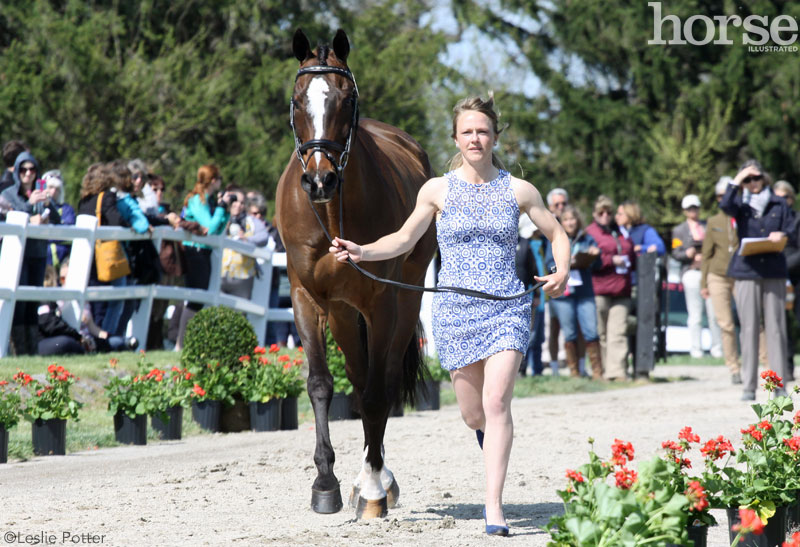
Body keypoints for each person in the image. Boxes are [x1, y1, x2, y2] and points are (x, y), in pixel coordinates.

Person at [330, 96, 570, 535]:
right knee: (473, 414)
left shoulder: (520, 190)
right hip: (456, 311)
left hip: (506, 307)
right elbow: (403, 239)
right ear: (456, 138)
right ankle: (486, 439)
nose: (475, 138)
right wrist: (361, 250)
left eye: (483, 131)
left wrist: (563, 269)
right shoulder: (436, 190)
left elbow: (557, 233)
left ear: (495, 136)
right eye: (468, 131)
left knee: (497, 403)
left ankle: (493, 507)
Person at [720, 160, 793, 400]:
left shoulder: (779, 203)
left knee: (776, 329)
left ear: (765, 178)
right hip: (746, 270)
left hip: (773, 270)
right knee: (749, 328)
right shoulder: (740, 205)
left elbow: (792, 228)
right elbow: (725, 205)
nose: (753, 183)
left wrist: (782, 234)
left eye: (756, 177)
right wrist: (736, 179)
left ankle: (779, 386)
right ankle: (749, 386)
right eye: (748, 179)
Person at [1, 151, 61, 355]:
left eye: (32, 169)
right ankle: (18, 350)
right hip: (17, 256)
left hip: (37, 253)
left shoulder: (41, 193)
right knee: (18, 302)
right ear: (17, 171)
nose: (28, 174)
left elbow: (57, 219)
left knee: (32, 301)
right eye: (24, 169)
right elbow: (11, 217)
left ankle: (31, 351)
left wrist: (46, 205)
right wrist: (29, 206)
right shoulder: (8, 194)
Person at [176, 164, 233, 349]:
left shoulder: (208, 200)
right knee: (196, 298)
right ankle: (180, 343)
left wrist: (223, 208)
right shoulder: (197, 200)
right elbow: (208, 227)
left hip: (204, 252)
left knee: (200, 299)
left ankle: (186, 342)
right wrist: (220, 208)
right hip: (195, 251)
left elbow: (218, 229)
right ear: (213, 180)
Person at [545, 205, 603, 378]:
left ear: (578, 220)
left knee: (591, 331)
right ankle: (574, 373)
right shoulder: (555, 239)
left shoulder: (587, 239)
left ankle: (597, 372)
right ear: (561, 222)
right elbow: (549, 264)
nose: (570, 222)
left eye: (573, 219)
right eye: (566, 219)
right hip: (564, 295)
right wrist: (566, 262)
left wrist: (595, 255)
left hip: (585, 292)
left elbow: (598, 266)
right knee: (569, 333)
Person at [585, 195, 635, 381]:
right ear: (594, 214)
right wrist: (608, 259)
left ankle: (618, 372)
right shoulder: (589, 233)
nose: (605, 216)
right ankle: (603, 371)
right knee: (601, 334)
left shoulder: (620, 232)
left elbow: (630, 252)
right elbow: (585, 259)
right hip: (598, 289)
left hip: (621, 289)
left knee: (618, 332)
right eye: (601, 212)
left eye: (609, 212)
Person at [701, 177, 743, 384]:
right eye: (721, 196)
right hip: (717, 275)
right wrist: (703, 284)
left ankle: (766, 363)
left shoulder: (744, 218)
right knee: (725, 323)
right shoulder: (713, 221)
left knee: (753, 321)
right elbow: (706, 253)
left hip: (742, 275)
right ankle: (734, 368)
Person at [672, 194, 723, 359]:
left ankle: (717, 349)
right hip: (691, 272)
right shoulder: (679, 230)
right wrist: (688, 254)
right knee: (695, 314)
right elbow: (675, 252)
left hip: (710, 273)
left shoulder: (708, 226)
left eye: (695, 208)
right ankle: (696, 350)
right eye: (690, 208)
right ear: (685, 211)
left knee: (714, 313)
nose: (693, 211)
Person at [220, 185, 269, 300]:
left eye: (241, 203)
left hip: (243, 276)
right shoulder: (220, 217)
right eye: (234, 201)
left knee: (239, 314)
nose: (238, 205)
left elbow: (264, 237)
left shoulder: (251, 221)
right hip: (220, 274)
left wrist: (246, 239)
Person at [774, 179, 798, 382]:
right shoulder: (772, 220)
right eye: (776, 198)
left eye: (784, 197)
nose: (780, 202)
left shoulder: (797, 220)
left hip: (796, 275)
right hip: (776, 277)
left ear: (791, 199)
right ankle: (787, 367)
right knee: (780, 324)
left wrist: (785, 267)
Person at [41, 170, 76, 271]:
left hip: (62, 262)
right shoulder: (37, 206)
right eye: (50, 187)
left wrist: (46, 234)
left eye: (57, 189)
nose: (53, 192)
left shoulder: (67, 209)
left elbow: (69, 231)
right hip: (41, 259)